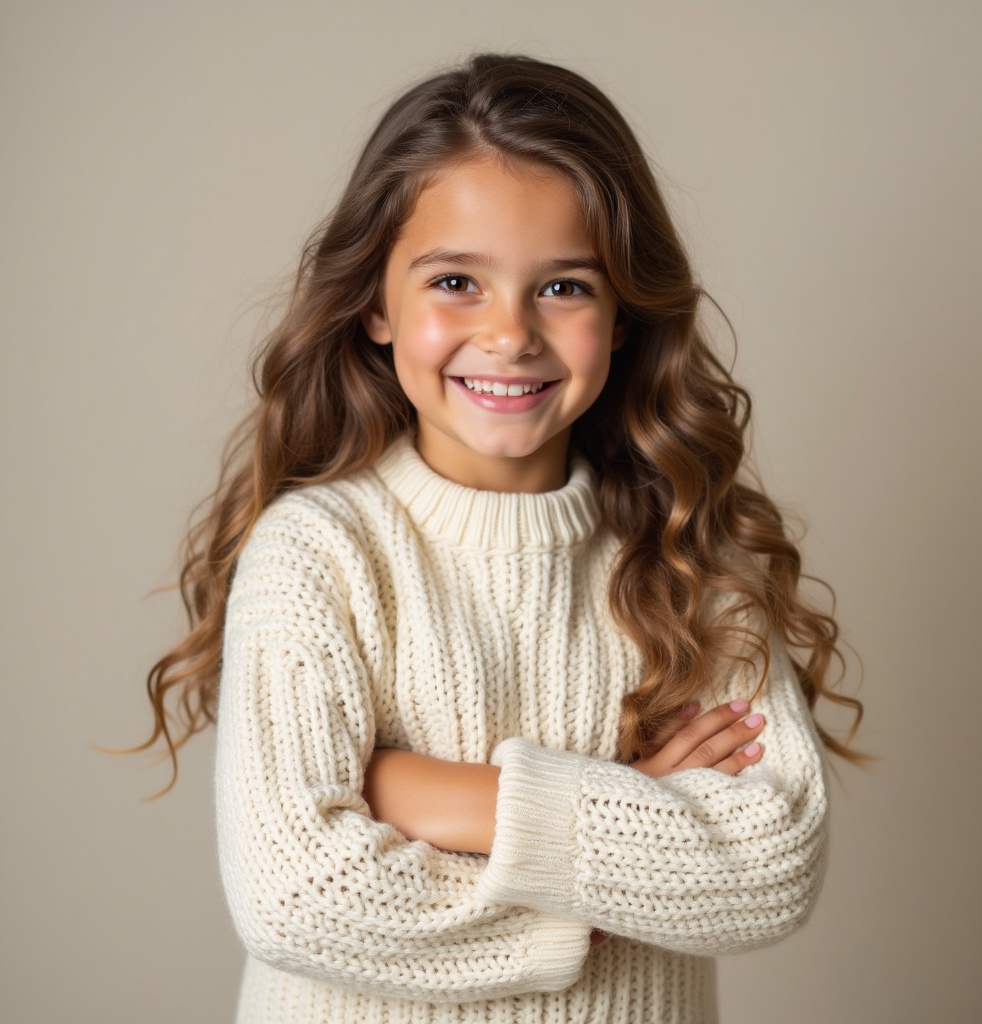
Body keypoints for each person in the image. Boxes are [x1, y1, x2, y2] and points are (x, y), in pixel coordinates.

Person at [142, 53, 863, 1024]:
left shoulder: (689, 553)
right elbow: (299, 896)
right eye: (455, 281)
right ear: (376, 306)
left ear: (621, 314)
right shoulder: (318, 551)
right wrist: (623, 831)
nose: (511, 333)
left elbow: (768, 868)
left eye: (563, 287)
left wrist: (431, 795)